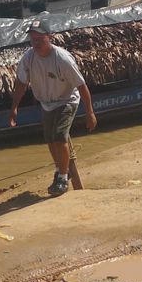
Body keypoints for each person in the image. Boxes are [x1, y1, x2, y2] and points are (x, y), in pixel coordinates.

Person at [9, 19, 97, 196]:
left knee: (59, 136)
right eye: (33, 38)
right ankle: (60, 170)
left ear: (50, 37)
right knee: (49, 139)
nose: (36, 42)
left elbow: (81, 86)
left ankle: (63, 178)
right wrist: (14, 108)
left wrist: (90, 112)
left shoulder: (62, 59)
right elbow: (21, 84)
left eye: (40, 38)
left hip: (66, 99)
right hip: (46, 103)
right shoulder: (28, 58)